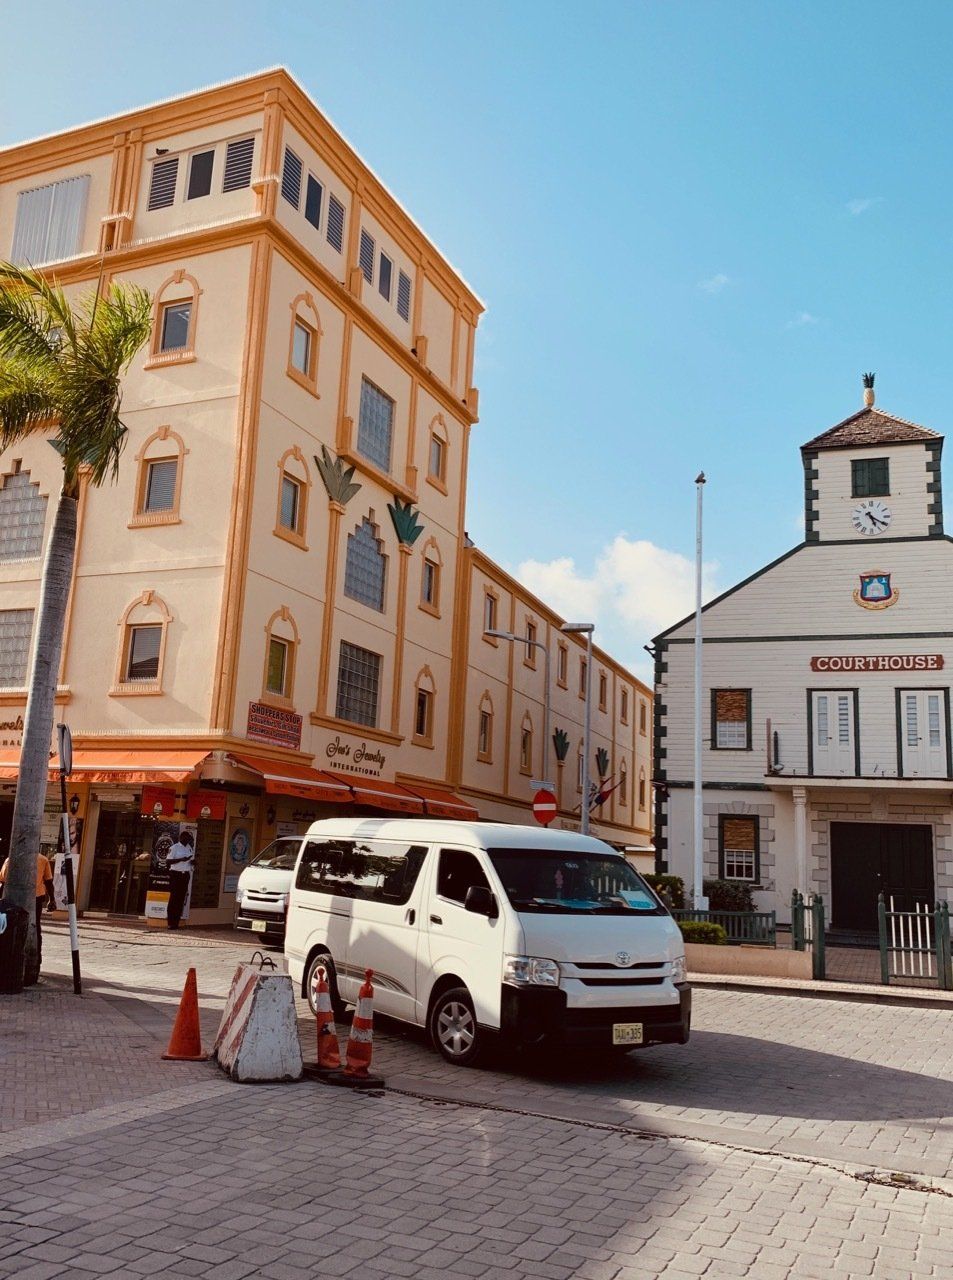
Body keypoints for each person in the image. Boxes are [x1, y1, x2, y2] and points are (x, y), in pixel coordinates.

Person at [0, 851, 56, 970]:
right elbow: (49, 882)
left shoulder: (11, 859)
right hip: (35, 899)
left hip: (13, 900)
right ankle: (34, 962)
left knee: (10, 928)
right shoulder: (42, 859)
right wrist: (52, 899)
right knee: (35, 928)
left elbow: (3, 882)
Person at [165, 830, 195, 930]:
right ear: (182, 838)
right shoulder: (174, 848)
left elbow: (190, 861)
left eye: (189, 839)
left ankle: (176, 923)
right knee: (173, 898)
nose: (188, 840)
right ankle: (170, 922)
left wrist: (193, 862)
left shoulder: (189, 848)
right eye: (187, 838)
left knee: (181, 899)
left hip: (185, 875)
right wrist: (181, 859)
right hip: (175, 875)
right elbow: (168, 861)